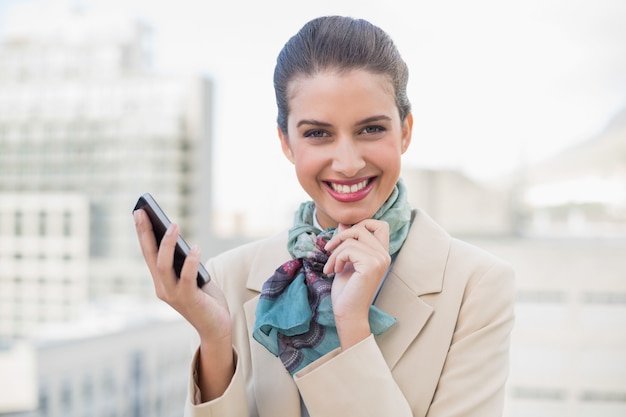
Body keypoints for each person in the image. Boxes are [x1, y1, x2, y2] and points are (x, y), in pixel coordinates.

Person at [134, 15, 515, 417]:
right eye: (318, 133)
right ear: (286, 142)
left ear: (405, 131)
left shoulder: (477, 286)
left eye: (371, 129)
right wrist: (214, 341)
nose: (348, 163)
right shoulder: (231, 277)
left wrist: (351, 325)